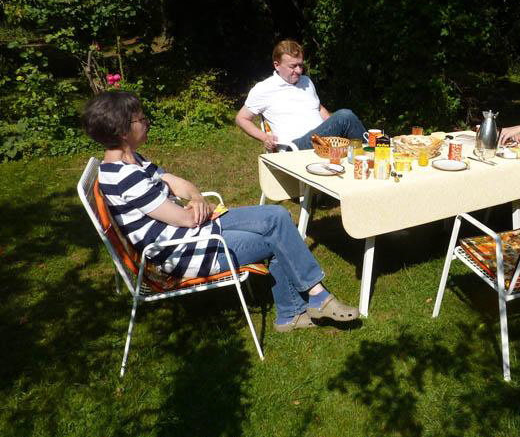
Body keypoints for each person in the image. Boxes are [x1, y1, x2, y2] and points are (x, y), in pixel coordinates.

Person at [83, 91, 359, 332]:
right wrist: (195, 205)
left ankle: (312, 299)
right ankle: (300, 309)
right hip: (187, 251)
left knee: (277, 216)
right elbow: (185, 218)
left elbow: (181, 185)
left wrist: (195, 197)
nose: (147, 122)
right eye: (140, 120)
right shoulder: (123, 177)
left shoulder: (133, 162)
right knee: (279, 238)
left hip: (198, 231)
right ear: (121, 131)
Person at [235, 39, 367, 151]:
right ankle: (372, 152)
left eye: (300, 65)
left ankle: (370, 158)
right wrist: (265, 137)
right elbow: (241, 118)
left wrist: (332, 125)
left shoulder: (306, 82)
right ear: (277, 65)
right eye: (293, 66)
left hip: (323, 142)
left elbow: (319, 108)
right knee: (345, 116)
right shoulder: (264, 88)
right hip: (295, 147)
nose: (298, 71)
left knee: (344, 121)